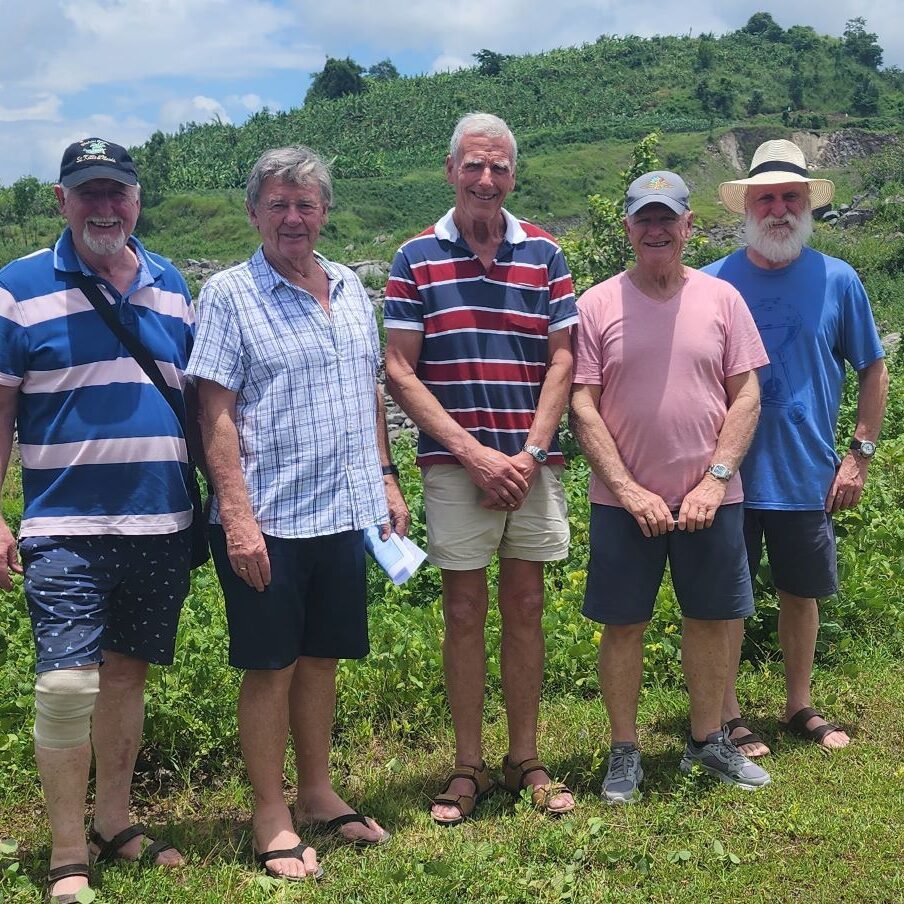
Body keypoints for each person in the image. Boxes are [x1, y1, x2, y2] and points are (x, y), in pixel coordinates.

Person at [186, 146, 409, 881]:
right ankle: (270, 813)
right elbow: (212, 410)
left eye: (305, 204)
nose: (292, 217)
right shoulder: (228, 296)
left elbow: (367, 390)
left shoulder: (348, 285)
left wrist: (385, 478)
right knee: (270, 667)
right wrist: (237, 516)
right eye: (278, 204)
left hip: (342, 512)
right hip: (269, 521)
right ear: (253, 212)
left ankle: (316, 791)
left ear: (324, 212)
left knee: (321, 661)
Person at [0, 138, 194, 902]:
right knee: (65, 686)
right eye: (88, 193)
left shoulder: (173, 284)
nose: (103, 206)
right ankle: (67, 851)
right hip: (63, 527)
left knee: (126, 681)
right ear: (61, 200)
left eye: (117, 191)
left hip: (160, 522)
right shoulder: (17, 287)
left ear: (138, 200)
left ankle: (115, 821)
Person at [384, 113, 577, 824]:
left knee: (527, 606)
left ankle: (524, 755)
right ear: (450, 170)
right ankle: (466, 763)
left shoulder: (546, 255)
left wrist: (526, 453)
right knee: (463, 611)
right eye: (473, 166)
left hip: (532, 462)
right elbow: (400, 370)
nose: (486, 179)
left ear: (513, 176)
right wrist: (473, 454)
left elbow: (563, 358)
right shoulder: (415, 258)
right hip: (455, 465)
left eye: (498, 168)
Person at [570, 171, 773, 803]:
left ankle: (707, 740)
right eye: (644, 219)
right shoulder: (595, 304)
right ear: (628, 228)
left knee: (711, 619)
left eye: (668, 219)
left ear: (688, 226)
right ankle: (624, 750)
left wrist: (715, 480)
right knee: (622, 624)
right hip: (623, 503)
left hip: (712, 498)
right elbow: (583, 406)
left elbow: (747, 396)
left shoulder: (723, 300)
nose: (656, 230)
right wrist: (630, 490)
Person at [704, 140, 889, 756]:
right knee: (724, 596)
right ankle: (727, 714)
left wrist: (858, 453)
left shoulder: (839, 279)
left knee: (799, 593)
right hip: (723, 476)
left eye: (790, 197)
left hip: (806, 472)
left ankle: (799, 703)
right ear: (747, 207)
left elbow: (872, 367)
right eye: (767, 198)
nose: (779, 209)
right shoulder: (711, 282)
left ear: (807, 205)